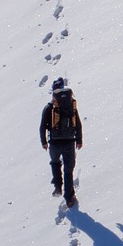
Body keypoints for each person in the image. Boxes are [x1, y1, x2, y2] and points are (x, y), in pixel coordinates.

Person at [39, 76, 83, 207]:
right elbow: (78, 123)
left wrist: (44, 142)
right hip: (69, 141)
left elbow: (42, 126)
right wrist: (79, 139)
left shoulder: (49, 108)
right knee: (68, 170)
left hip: (54, 142)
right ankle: (69, 197)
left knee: (55, 162)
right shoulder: (71, 105)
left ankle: (58, 185)